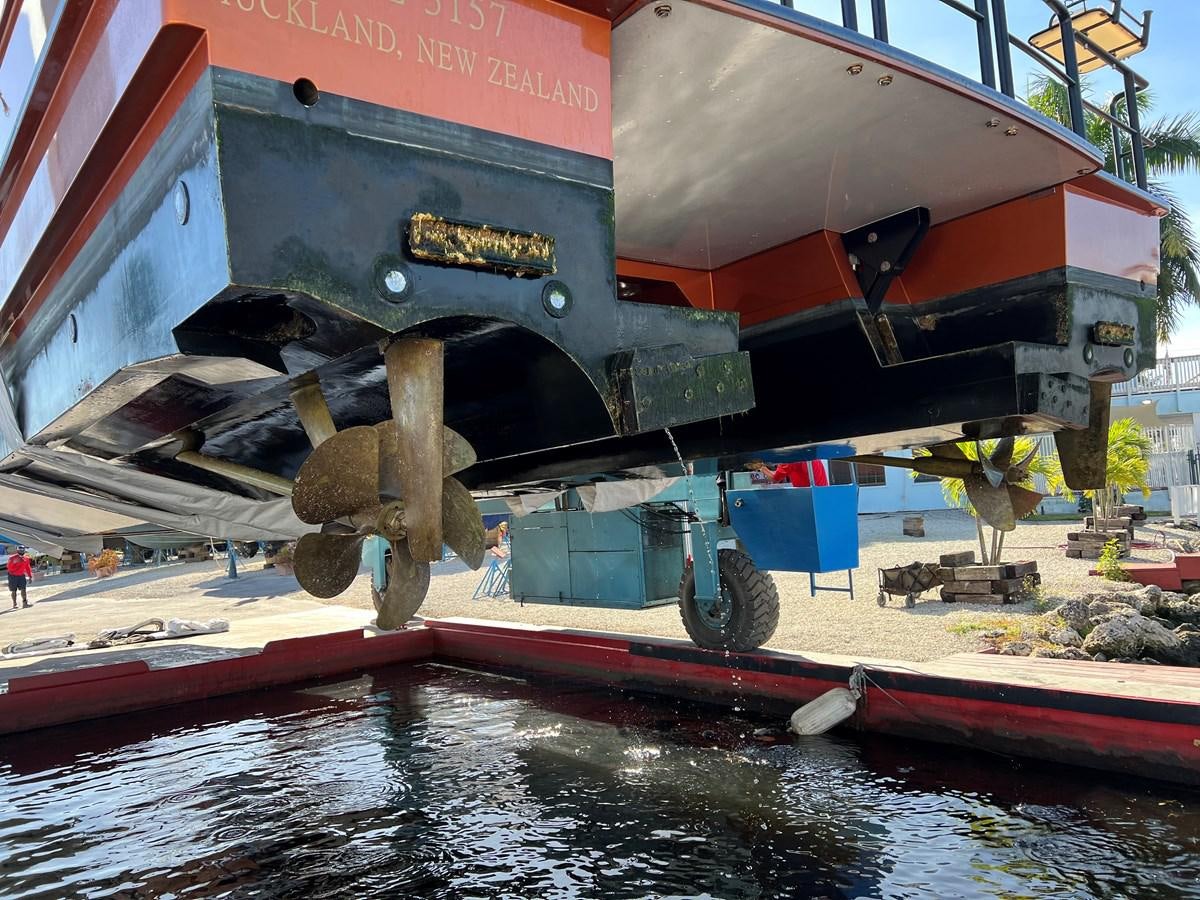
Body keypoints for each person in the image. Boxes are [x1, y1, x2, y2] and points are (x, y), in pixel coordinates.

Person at [754, 459, 829, 488]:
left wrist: (761, 467)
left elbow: (774, 479)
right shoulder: (812, 455)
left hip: (808, 497)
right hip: (825, 493)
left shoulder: (789, 460)